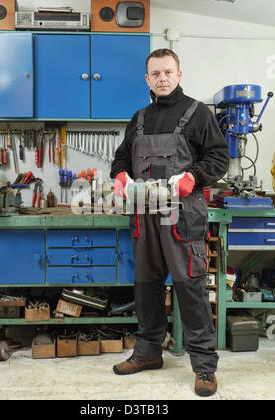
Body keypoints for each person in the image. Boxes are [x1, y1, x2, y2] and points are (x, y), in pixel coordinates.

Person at [110, 48, 229, 397]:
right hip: (144, 216)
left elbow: (219, 156)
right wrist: (119, 175)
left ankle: (204, 366)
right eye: (155, 73)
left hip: (182, 217)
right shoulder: (139, 118)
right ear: (147, 79)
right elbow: (121, 157)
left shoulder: (197, 114)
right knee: (145, 287)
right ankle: (148, 353)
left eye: (168, 72)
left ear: (179, 75)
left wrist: (194, 175)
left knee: (190, 290)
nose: (162, 78)